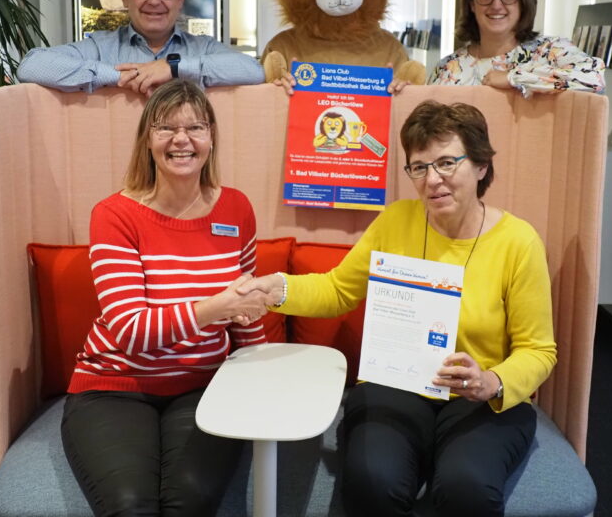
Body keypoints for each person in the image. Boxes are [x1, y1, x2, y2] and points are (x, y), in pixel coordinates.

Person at [239, 100, 557, 516]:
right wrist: (276, 288)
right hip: (399, 384)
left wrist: (491, 381)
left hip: (478, 399)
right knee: (373, 479)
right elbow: (338, 290)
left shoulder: (518, 242)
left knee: (467, 488)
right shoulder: (397, 220)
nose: (432, 180)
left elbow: (539, 350)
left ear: (481, 165)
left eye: (447, 163)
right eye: (419, 167)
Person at [61, 80, 269, 516]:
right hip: (114, 386)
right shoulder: (114, 215)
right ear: (147, 139)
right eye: (166, 128)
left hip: (203, 385)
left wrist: (262, 381)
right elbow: (131, 332)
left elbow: (246, 312)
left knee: (188, 503)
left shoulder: (236, 209)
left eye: (195, 127)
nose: (181, 140)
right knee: (130, 506)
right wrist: (217, 306)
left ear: (211, 137)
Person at [17, 0, 264, 95]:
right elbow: (31, 66)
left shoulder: (202, 49)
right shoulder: (101, 48)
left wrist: (174, 67)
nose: (154, 1)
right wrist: (116, 75)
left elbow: (254, 70)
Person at [428, 0, 605, 97]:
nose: (496, 5)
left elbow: (594, 78)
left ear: (522, 1)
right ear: (472, 4)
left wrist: (513, 78)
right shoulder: (448, 68)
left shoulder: (550, 52)